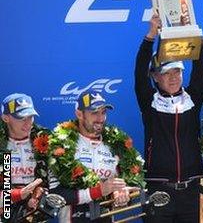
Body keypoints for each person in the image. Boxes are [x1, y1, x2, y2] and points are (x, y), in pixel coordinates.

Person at [134, 12, 203, 222]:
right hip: (158, 188)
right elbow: (139, 73)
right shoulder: (150, 102)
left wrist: (190, 34)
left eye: (177, 71)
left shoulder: (192, 98)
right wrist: (150, 36)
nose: (174, 77)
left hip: (192, 188)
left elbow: (201, 69)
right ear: (156, 77)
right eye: (167, 73)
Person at [48, 90, 144, 222]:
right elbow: (56, 194)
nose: (100, 118)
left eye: (103, 112)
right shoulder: (61, 145)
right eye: (94, 113)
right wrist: (98, 191)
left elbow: (133, 182)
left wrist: (123, 192)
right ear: (79, 114)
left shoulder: (116, 144)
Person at [1, 93, 50, 221]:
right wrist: (19, 194)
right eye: (22, 118)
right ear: (6, 118)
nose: (28, 123)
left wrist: (38, 195)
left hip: (33, 215)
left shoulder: (44, 141)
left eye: (31, 117)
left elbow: (52, 183)